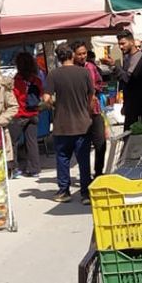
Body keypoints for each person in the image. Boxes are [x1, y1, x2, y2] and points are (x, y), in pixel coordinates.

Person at [44, 44, 95, 204]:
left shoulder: (53, 74)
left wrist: (54, 105)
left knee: (63, 158)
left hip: (62, 125)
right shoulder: (84, 72)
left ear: (58, 58)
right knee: (83, 160)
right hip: (82, 123)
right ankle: (85, 194)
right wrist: (87, 111)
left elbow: (46, 98)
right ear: (72, 55)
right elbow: (91, 96)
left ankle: (64, 192)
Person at [75, 43, 108, 178]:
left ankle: (98, 172)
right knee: (83, 146)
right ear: (74, 55)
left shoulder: (91, 67)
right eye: (79, 54)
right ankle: (85, 175)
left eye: (84, 53)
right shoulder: (73, 70)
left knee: (101, 143)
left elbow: (99, 82)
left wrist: (95, 89)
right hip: (80, 112)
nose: (82, 56)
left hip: (95, 111)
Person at [9, 52, 43, 179]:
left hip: (19, 114)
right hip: (33, 114)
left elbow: (14, 97)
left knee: (12, 142)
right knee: (32, 142)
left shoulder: (16, 81)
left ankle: (14, 168)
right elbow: (40, 95)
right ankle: (34, 169)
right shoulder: (37, 80)